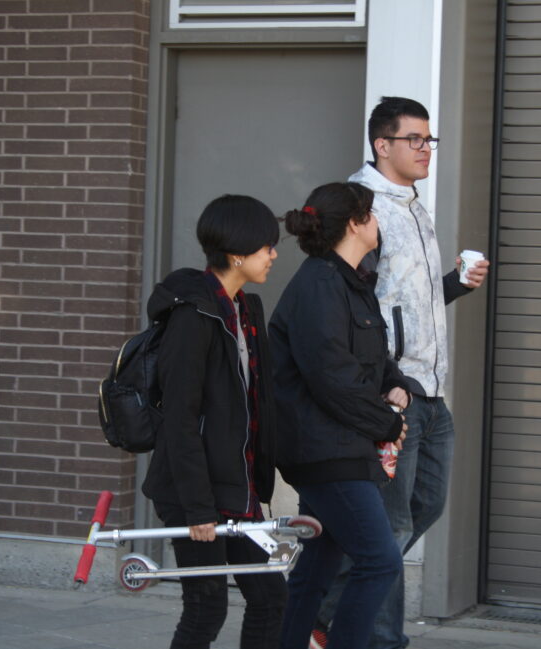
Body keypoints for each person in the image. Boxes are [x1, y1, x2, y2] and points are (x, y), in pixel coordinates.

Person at [313, 97, 490, 649]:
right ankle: (378, 640)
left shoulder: (412, 203)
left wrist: (456, 283)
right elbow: (354, 307)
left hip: (431, 392)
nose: (425, 149)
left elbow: (405, 302)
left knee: (421, 511)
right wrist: (383, 389)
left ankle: (322, 609)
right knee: (390, 529)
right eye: (414, 139)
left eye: (429, 140)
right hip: (394, 395)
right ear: (381, 145)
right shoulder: (360, 208)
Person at [141, 194, 286, 649]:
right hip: (196, 493)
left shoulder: (246, 309)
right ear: (238, 252)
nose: (274, 255)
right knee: (207, 607)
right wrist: (199, 509)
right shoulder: (194, 315)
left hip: (236, 488)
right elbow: (180, 419)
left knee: (270, 597)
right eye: (267, 246)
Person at [270, 182, 411, 649]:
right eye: (371, 214)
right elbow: (332, 377)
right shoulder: (319, 285)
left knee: (315, 571)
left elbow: (369, 359)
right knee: (380, 561)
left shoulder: (351, 280)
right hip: (326, 450)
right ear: (354, 223)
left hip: (339, 446)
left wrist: (395, 384)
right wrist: (386, 423)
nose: (377, 222)